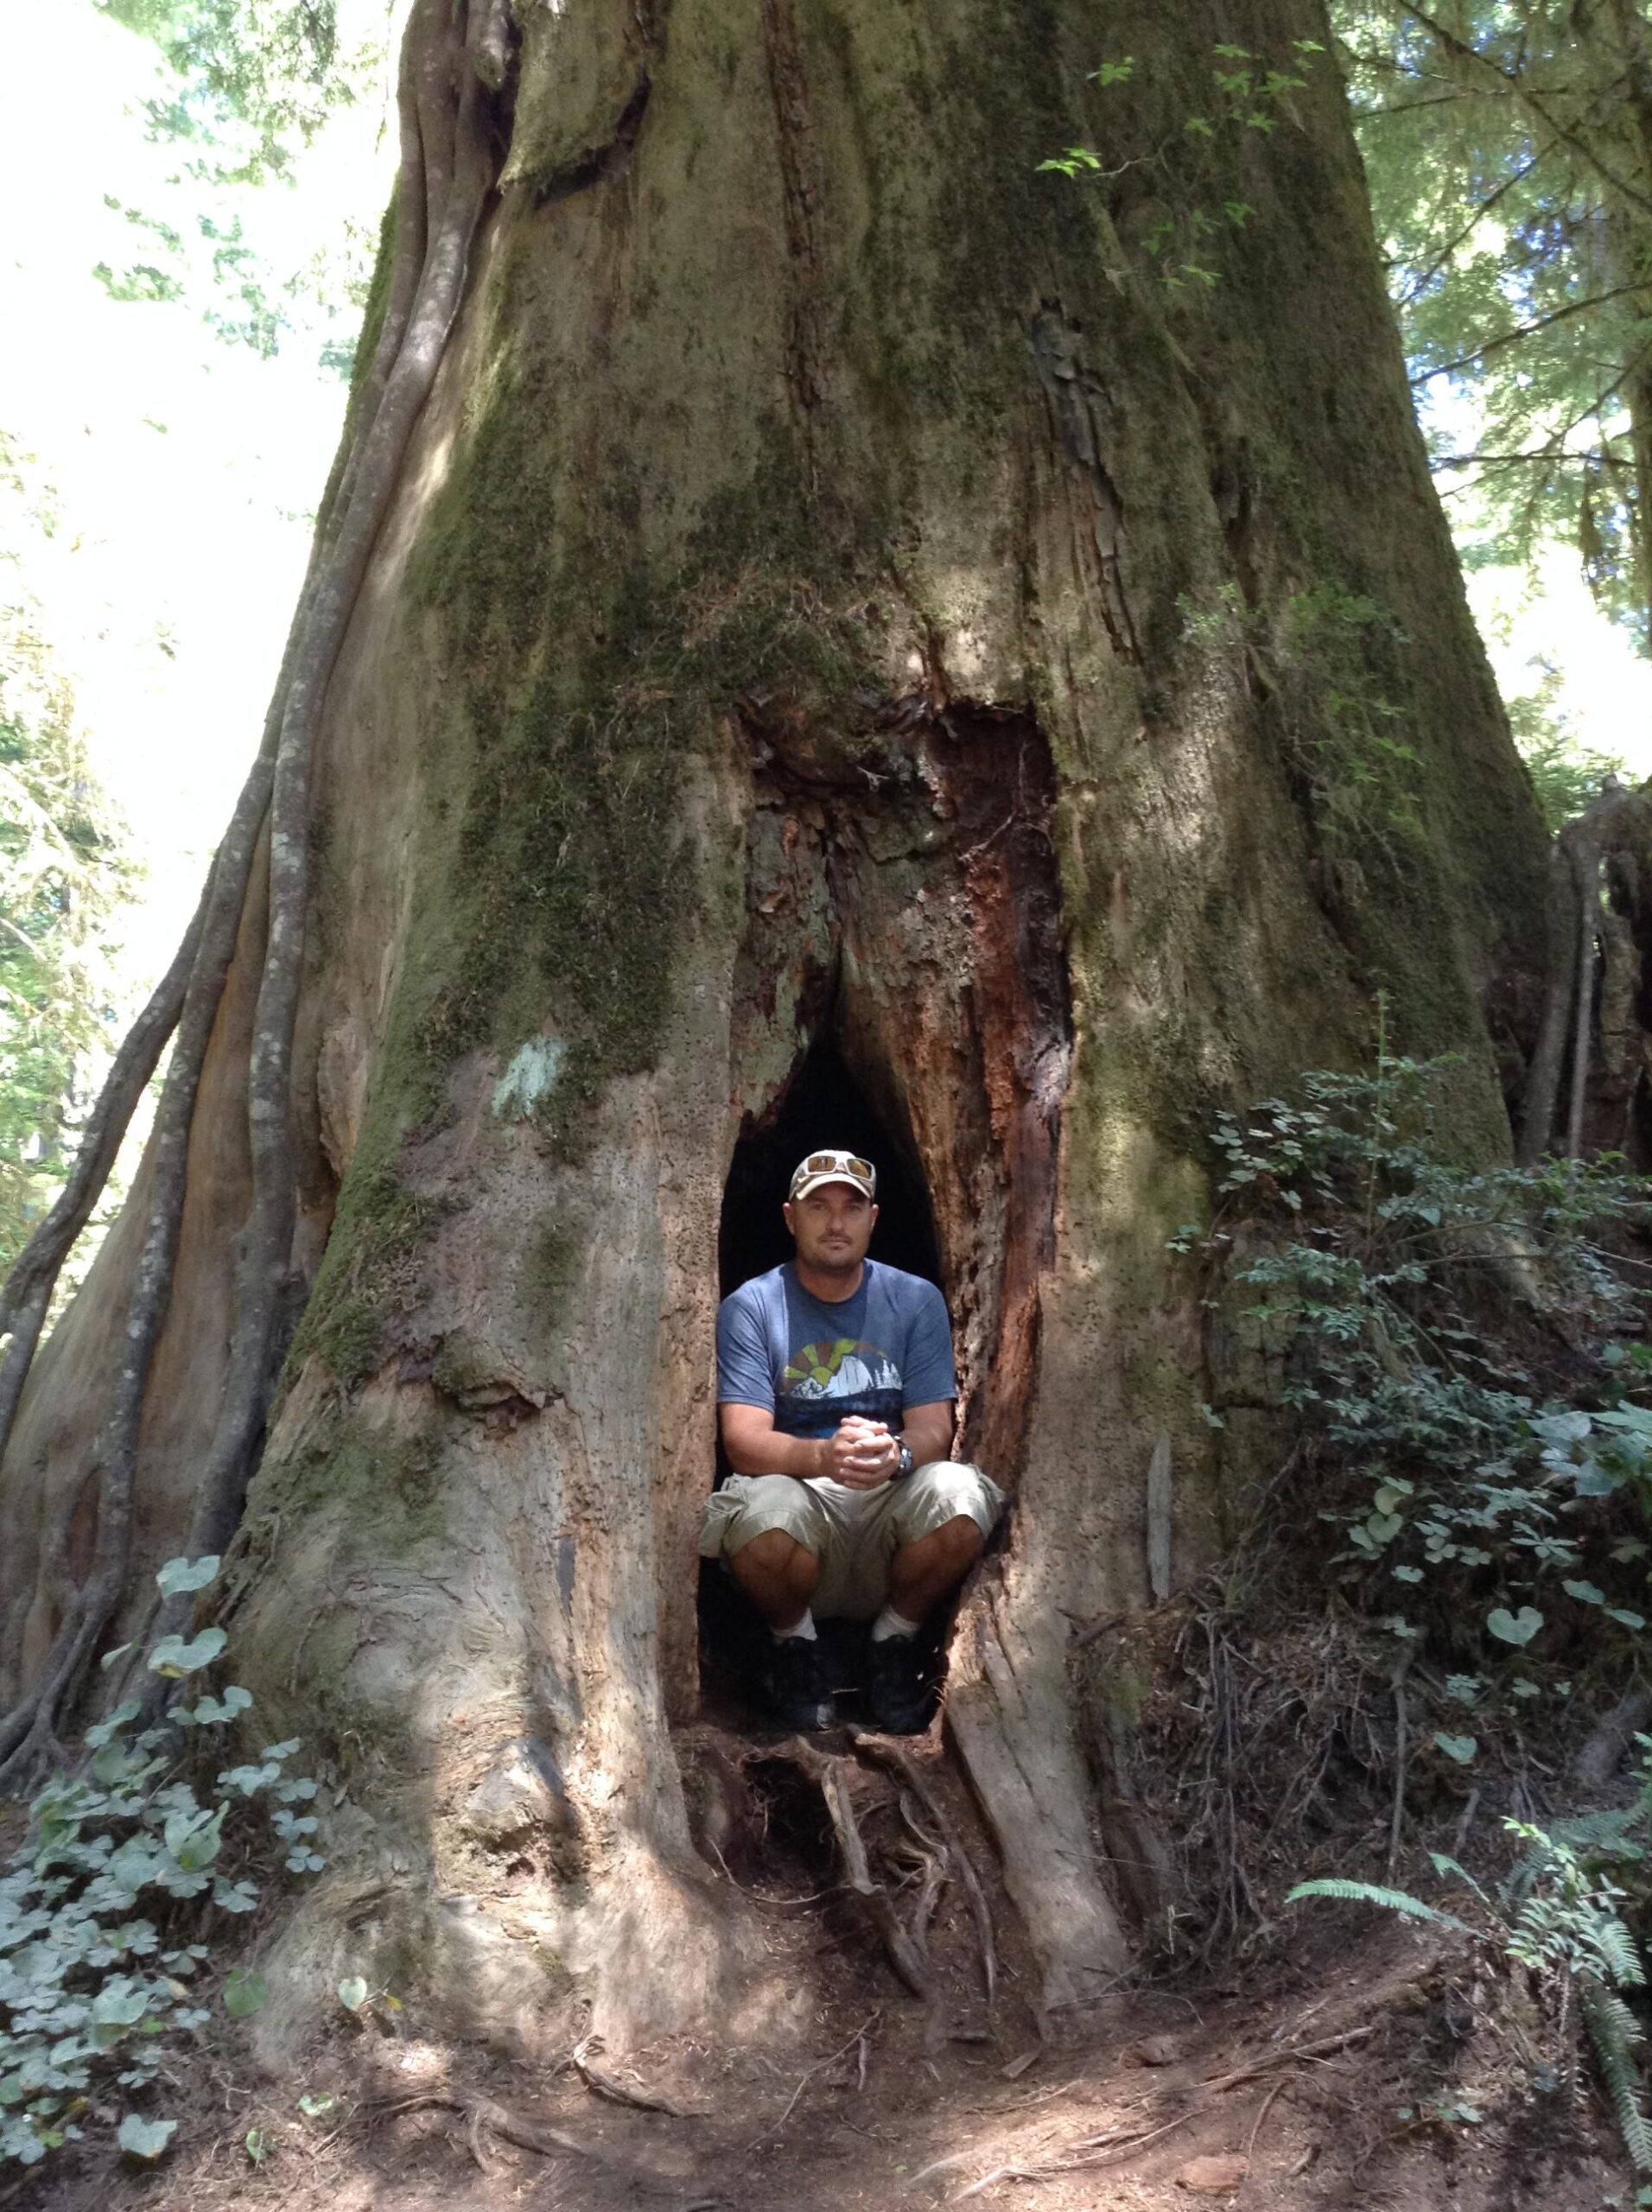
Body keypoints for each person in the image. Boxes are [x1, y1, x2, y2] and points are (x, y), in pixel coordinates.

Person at [700, 1147, 1005, 1732]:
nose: (836, 1222)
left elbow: (935, 1429)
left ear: (873, 1219)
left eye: (851, 1207)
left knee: (961, 1495)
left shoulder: (914, 1301)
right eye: (819, 1207)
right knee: (756, 1512)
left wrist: (899, 1455)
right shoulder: (753, 1307)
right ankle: (796, 1649)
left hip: (889, 1513)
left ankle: (894, 1643)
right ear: (791, 1218)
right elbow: (743, 1441)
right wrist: (822, 1457)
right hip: (801, 1510)